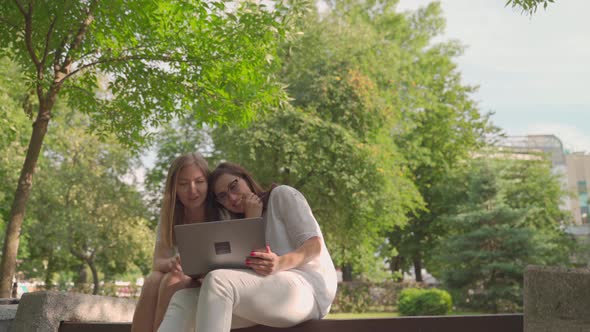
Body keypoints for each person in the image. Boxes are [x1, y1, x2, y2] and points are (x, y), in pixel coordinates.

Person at [157, 162, 337, 332]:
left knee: (218, 281)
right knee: (183, 300)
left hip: (308, 290)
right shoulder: (238, 225)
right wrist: (252, 221)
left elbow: (314, 246)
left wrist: (280, 262)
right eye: (222, 196)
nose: (232, 198)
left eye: (233, 186)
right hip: (271, 295)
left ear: (245, 178)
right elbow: (251, 274)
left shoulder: (282, 195)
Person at [132, 152, 218, 332]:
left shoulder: (220, 212)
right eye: (183, 184)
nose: (192, 190)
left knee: (173, 279)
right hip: (178, 278)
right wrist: (171, 262)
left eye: (199, 182)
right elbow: (158, 263)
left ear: (208, 183)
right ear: (174, 187)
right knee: (152, 280)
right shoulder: (170, 216)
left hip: (211, 281)